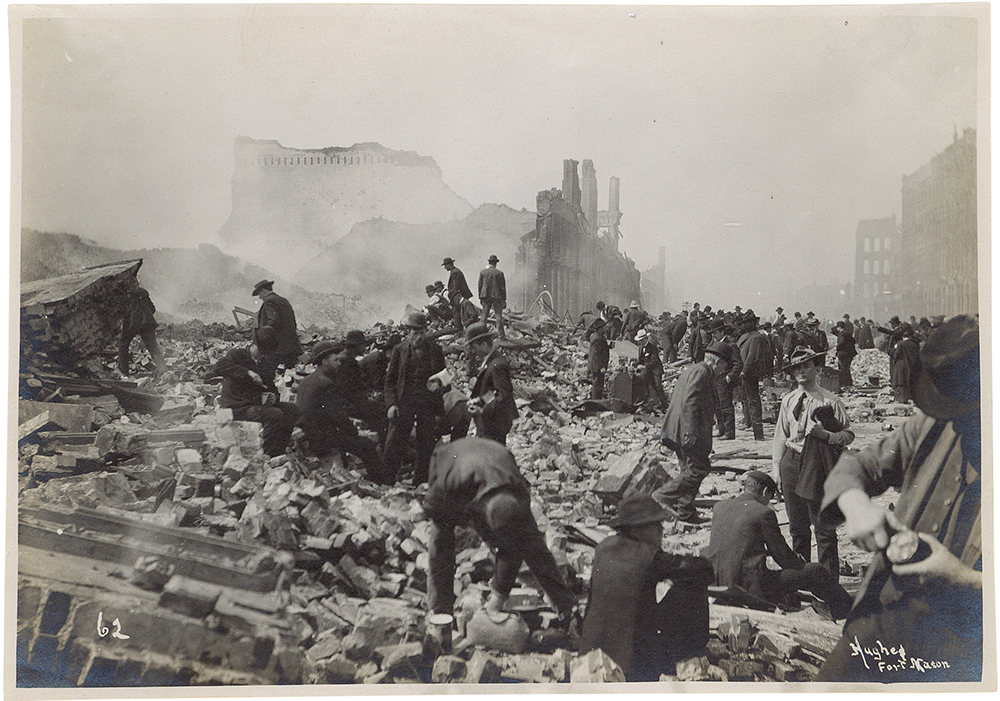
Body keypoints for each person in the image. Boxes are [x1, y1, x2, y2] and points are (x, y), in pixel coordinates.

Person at [816, 315, 982, 682]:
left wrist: (963, 578)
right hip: (882, 617)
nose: (956, 423)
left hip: (964, 651)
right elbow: (858, 466)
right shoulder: (936, 424)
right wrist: (856, 506)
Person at [422, 438, 577, 639]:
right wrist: (460, 522)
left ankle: (567, 608)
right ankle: (440, 615)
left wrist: (498, 595)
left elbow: (518, 547)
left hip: (497, 460)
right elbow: (433, 510)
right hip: (454, 458)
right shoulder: (448, 484)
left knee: (531, 543)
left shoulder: (520, 495)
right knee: (441, 541)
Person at [581, 492, 714, 681]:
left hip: (592, 652)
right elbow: (702, 570)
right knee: (693, 584)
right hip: (631, 661)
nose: (661, 530)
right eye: (656, 525)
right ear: (638, 528)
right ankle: (689, 654)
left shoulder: (603, 546)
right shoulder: (648, 556)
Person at [702, 471, 854, 620]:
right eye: (770, 497)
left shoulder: (719, 507)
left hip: (717, 582)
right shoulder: (762, 513)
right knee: (815, 571)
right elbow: (782, 557)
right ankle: (848, 609)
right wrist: (799, 561)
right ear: (766, 492)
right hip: (749, 586)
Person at [772, 346, 855, 576]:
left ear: (816, 369)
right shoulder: (788, 400)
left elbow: (848, 434)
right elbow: (781, 436)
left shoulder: (830, 401)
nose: (801, 371)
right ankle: (804, 579)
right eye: (796, 367)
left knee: (824, 528)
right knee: (797, 527)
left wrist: (828, 436)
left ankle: (829, 585)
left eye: (806, 366)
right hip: (791, 463)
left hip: (817, 466)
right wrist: (776, 467)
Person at [650, 341, 729, 523]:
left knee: (688, 468)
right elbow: (690, 402)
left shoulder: (694, 370)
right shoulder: (702, 373)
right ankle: (662, 496)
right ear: (717, 362)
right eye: (725, 364)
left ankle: (685, 511)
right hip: (687, 430)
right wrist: (691, 432)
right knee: (699, 469)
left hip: (678, 428)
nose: (725, 369)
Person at [296, 340, 383, 479]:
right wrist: (355, 432)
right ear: (325, 361)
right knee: (366, 445)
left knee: (344, 437)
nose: (339, 363)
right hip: (318, 437)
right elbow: (338, 416)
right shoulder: (326, 383)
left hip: (307, 432)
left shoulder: (308, 379)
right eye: (335, 360)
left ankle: (349, 469)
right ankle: (381, 482)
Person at [382, 311, 446, 484]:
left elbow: (444, 378)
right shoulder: (399, 350)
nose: (419, 337)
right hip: (404, 403)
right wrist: (391, 404)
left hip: (427, 403)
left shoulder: (436, 351)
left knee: (426, 443)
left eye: (422, 332)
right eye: (415, 332)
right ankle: (386, 481)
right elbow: (389, 381)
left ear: (426, 331)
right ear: (408, 332)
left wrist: (441, 387)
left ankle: (421, 482)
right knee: (395, 441)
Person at [204, 342, 299, 457]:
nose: (261, 354)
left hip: (255, 405)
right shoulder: (237, 355)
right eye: (259, 349)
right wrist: (247, 372)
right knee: (274, 414)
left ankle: (279, 450)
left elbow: (271, 386)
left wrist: (274, 398)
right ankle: (267, 454)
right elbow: (219, 366)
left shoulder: (265, 362)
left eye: (264, 351)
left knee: (292, 409)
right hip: (236, 406)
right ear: (252, 344)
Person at [465, 322, 518, 444]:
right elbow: (493, 393)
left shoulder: (497, 365)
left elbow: (503, 396)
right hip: (493, 422)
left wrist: (482, 410)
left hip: (495, 424)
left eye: (473, 347)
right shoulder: (493, 361)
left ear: (483, 344)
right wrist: (479, 402)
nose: (472, 351)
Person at [252, 279, 302, 385]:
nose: (260, 297)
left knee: (274, 377)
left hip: (278, 348)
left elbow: (273, 322)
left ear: (264, 291)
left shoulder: (269, 301)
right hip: (290, 346)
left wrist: (261, 338)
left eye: (260, 294)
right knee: (290, 377)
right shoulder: (283, 300)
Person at [118, 285, 165, 376]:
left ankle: (124, 372)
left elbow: (123, 312)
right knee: (152, 347)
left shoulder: (122, 295)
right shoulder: (142, 292)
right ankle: (164, 370)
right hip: (147, 321)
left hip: (132, 323)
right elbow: (152, 308)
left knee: (123, 344)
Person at [708, 320, 742, 440]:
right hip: (715, 379)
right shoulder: (714, 344)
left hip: (724, 379)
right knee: (717, 405)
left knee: (726, 406)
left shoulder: (730, 345)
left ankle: (729, 432)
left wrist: (729, 377)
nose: (713, 335)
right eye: (712, 333)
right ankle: (721, 429)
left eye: (715, 332)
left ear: (722, 331)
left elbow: (738, 364)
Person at [737, 312, 768, 441]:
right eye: (743, 322)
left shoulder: (756, 337)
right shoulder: (744, 336)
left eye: (747, 322)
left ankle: (758, 433)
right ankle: (748, 422)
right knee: (744, 399)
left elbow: (752, 356)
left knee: (753, 400)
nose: (744, 325)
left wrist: (744, 370)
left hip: (750, 373)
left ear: (753, 323)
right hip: (742, 372)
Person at [634, 328, 667, 411]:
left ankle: (665, 405)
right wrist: (634, 364)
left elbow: (655, 361)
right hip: (648, 370)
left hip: (656, 370)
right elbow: (640, 360)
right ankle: (652, 403)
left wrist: (644, 367)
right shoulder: (641, 348)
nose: (640, 342)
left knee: (658, 387)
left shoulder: (652, 347)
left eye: (641, 340)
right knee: (649, 386)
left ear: (645, 339)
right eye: (639, 341)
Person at [890, 323, 921, 403]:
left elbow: (895, 355)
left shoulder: (901, 344)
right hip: (911, 366)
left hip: (901, 366)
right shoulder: (914, 344)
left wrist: (893, 349)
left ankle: (901, 399)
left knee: (900, 383)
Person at [478, 255, 507, 340]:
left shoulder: (482, 272)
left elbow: (480, 286)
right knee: (499, 316)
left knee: (484, 317)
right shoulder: (499, 273)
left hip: (485, 296)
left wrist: (480, 297)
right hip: (496, 296)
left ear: (489, 262)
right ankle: (501, 336)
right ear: (495, 263)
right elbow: (502, 288)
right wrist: (504, 300)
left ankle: (481, 336)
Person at [442, 257, 474, 331]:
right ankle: (461, 330)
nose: (444, 267)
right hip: (458, 296)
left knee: (459, 314)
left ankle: (460, 330)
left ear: (449, 264)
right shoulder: (454, 271)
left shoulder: (455, 272)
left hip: (459, 297)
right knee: (459, 314)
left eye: (445, 265)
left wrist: (450, 295)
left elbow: (456, 287)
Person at [587, 318, 610, 400]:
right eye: (604, 327)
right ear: (600, 329)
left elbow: (600, 350)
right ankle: (595, 404)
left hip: (597, 366)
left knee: (599, 386)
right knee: (597, 386)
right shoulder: (597, 338)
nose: (605, 328)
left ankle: (597, 402)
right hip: (597, 367)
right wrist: (601, 367)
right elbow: (595, 355)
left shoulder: (598, 336)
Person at [834, 320, 858, 389]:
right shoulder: (847, 333)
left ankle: (844, 383)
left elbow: (841, 343)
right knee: (847, 368)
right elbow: (853, 341)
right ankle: (849, 382)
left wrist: (837, 349)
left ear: (839, 327)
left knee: (842, 368)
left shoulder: (841, 334)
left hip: (843, 354)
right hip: (850, 354)